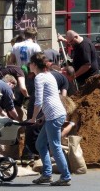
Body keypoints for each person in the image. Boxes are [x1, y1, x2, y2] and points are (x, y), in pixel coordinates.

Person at [28, 52, 71, 186]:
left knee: (55, 146)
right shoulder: (49, 75)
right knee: (40, 144)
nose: (29, 65)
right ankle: (47, 174)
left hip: (54, 115)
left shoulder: (39, 77)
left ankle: (65, 176)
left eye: (30, 63)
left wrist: (33, 118)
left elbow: (39, 101)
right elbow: (50, 98)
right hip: (55, 113)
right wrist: (42, 116)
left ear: (34, 64)